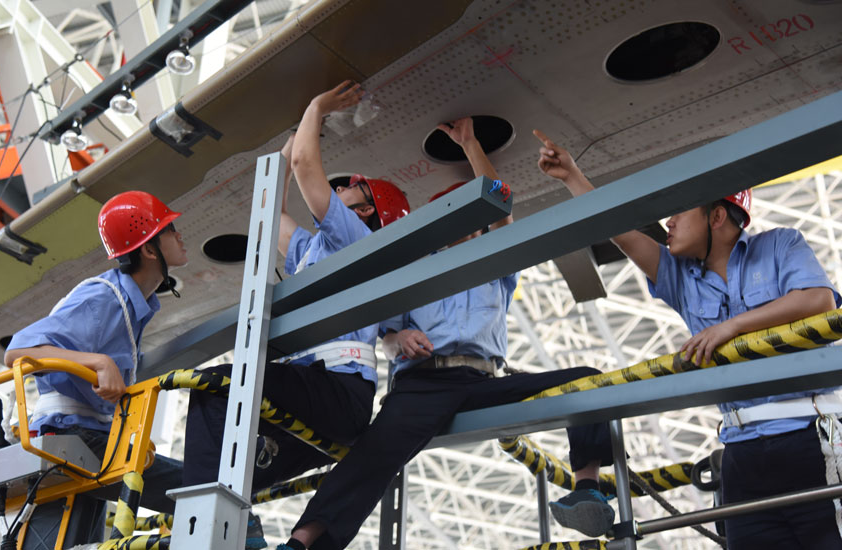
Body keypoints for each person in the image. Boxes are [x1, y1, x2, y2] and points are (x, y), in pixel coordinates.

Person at [277, 118, 615, 550]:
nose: (473, 226)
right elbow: (386, 332)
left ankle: (586, 484)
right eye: (460, 216)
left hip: (481, 380)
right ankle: (304, 542)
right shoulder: (413, 273)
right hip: (424, 383)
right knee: (373, 458)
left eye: (476, 219)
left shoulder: (496, 270)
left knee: (586, 379)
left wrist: (471, 145)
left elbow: (500, 202)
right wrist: (399, 341)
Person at [535, 129, 842, 548]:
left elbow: (819, 301)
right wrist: (572, 176)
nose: (668, 223)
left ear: (717, 217)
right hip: (741, 456)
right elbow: (618, 231)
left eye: (680, 213)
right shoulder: (680, 279)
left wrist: (732, 326)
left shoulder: (780, 245)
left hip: (811, 439)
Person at [180, 81, 410, 549]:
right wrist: (287, 148)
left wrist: (317, 106)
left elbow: (308, 168)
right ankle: (228, 525)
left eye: (354, 189)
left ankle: (214, 523)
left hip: (338, 391)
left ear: (370, 212)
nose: (342, 185)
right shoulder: (314, 249)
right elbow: (266, 211)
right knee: (213, 398)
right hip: (314, 393)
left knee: (218, 388)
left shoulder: (360, 242)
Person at [4, 191, 187, 540]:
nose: (179, 235)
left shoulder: (133, 305)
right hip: (75, 438)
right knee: (200, 485)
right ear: (149, 250)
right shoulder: (104, 298)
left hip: (90, 441)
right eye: (169, 229)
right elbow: (16, 352)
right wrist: (97, 362)